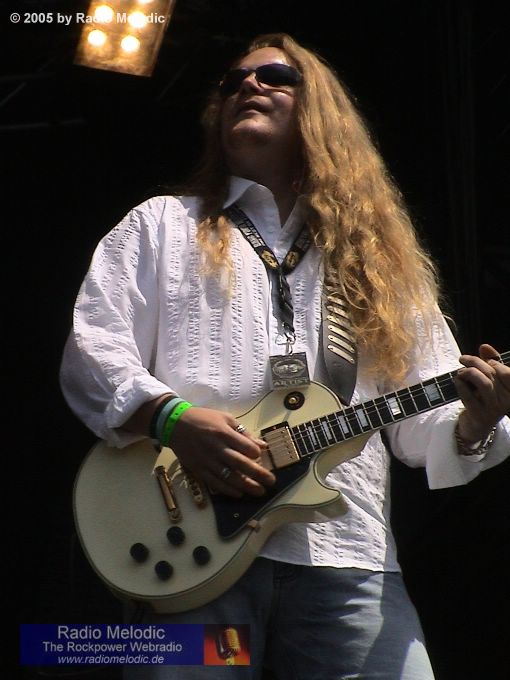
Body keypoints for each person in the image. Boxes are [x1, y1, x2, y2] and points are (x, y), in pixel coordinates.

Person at [60, 32, 510, 680]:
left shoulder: (378, 261)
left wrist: (476, 421)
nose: (248, 84)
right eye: (233, 81)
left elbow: (422, 430)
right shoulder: (161, 224)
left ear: (320, 109)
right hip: (189, 549)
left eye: (275, 75)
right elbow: (91, 349)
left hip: (348, 557)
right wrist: (172, 420)